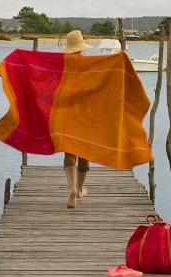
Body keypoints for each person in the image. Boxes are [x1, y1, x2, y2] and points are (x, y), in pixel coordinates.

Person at [61, 30, 93, 208]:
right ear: (81, 49)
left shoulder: (60, 66)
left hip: (67, 114)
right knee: (84, 153)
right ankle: (80, 190)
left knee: (69, 153)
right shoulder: (89, 66)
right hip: (86, 115)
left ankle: (71, 189)